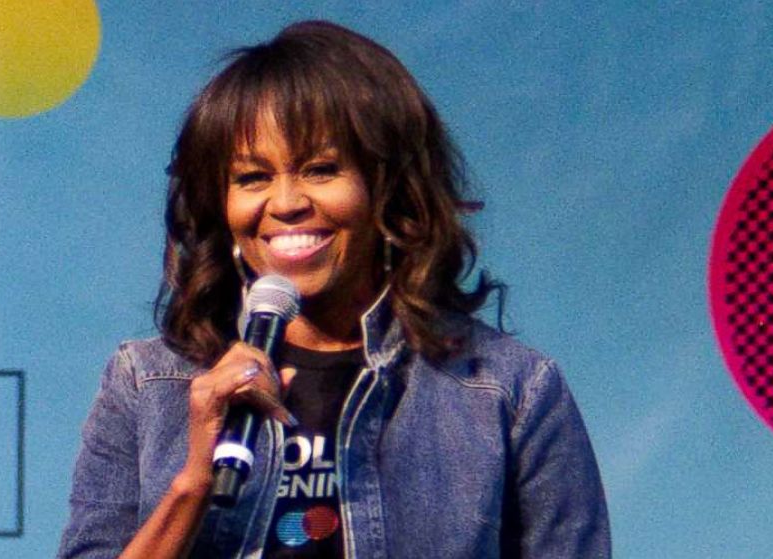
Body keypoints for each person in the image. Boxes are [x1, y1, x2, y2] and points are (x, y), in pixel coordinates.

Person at [59, 20, 610, 559]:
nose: (286, 202)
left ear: (389, 191)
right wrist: (192, 486)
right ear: (220, 209)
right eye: (252, 178)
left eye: (321, 169)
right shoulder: (148, 383)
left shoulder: (510, 391)